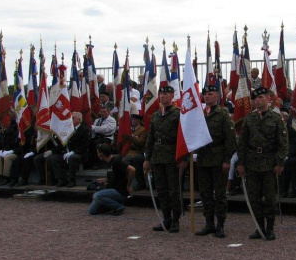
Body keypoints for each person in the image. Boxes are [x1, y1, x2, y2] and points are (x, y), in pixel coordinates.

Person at [237, 87, 288, 240]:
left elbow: (283, 144)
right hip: (252, 162)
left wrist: (279, 163)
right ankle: (259, 227)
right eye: (255, 98)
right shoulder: (249, 119)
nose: (258, 100)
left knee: (270, 197)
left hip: (269, 162)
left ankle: (270, 228)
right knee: (254, 197)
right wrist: (241, 163)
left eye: (261, 97)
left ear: (268, 99)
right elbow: (242, 143)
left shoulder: (276, 119)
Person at [194, 85, 237, 238]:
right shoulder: (200, 114)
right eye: (205, 94)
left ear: (217, 97)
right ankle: (209, 223)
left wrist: (227, 160)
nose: (206, 96)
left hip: (218, 159)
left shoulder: (223, 114)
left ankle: (220, 225)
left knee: (219, 194)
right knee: (205, 193)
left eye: (210, 94)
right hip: (203, 159)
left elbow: (231, 140)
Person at [144, 86, 186, 232]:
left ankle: (176, 219)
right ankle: (166, 218)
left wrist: (183, 158)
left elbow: (183, 137)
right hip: (157, 155)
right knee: (161, 189)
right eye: (161, 93)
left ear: (172, 95)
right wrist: (147, 157)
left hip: (172, 155)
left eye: (166, 93)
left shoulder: (178, 114)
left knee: (174, 190)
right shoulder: (156, 115)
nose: (162, 96)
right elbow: (151, 137)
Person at [88, 143, 135, 215]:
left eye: (98, 153)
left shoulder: (116, 161)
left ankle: (119, 207)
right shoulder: (109, 162)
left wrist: (128, 185)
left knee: (97, 196)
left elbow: (132, 170)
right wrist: (105, 180)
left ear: (102, 154)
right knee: (92, 211)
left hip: (119, 191)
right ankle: (111, 204)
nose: (97, 155)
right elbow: (116, 175)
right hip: (110, 190)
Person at [50, 112, 91, 187]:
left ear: (79, 120)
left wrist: (73, 152)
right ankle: (61, 179)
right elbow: (63, 143)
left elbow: (85, 145)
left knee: (73, 158)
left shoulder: (84, 130)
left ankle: (72, 180)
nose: (71, 120)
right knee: (54, 158)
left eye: (73, 118)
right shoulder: (69, 130)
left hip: (79, 154)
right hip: (67, 153)